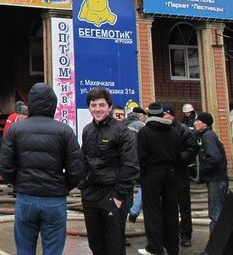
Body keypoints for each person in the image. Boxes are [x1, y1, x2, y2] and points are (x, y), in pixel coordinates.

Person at [0, 83, 82, 255]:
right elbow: (76, 171)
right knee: (53, 250)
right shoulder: (65, 131)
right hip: (54, 200)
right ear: (53, 104)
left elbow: (5, 166)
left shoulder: (16, 129)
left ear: (31, 104)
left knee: (24, 250)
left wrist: (19, 183)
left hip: (26, 197)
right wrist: (63, 187)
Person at [79, 87, 138, 255]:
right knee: (96, 244)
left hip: (113, 194)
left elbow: (131, 166)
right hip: (91, 195)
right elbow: (83, 160)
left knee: (114, 246)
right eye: (93, 105)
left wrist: (119, 196)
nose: (97, 109)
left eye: (102, 105)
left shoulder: (123, 132)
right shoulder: (87, 130)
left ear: (109, 107)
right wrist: (83, 186)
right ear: (89, 107)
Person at [136, 103, 182, 255]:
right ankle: (173, 248)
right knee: (171, 212)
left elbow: (141, 157)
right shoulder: (173, 132)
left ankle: (155, 248)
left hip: (151, 174)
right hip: (170, 173)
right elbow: (178, 155)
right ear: (163, 115)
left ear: (149, 115)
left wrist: (141, 175)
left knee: (152, 212)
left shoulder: (144, 132)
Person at [162, 103, 198, 247]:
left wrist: (177, 158)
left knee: (184, 206)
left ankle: (185, 234)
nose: (164, 117)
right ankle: (169, 234)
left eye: (166, 114)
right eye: (162, 115)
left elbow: (192, 149)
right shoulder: (160, 130)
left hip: (180, 173)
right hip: (164, 174)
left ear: (171, 114)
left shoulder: (183, 130)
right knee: (167, 206)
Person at [194, 112, 229, 233]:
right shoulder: (208, 135)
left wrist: (201, 170)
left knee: (216, 213)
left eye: (197, 121)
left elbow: (214, 157)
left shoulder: (208, 136)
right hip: (217, 179)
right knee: (217, 212)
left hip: (216, 180)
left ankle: (216, 247)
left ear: (203, 123)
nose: (195, 123)